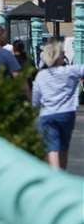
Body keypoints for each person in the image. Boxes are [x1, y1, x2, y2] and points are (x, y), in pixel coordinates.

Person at [32, 40, 84, 170]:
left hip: (47, 113)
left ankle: (56, 174)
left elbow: (35, 99)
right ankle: (62, 171)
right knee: (64, 146)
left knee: (52, 146)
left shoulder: (41, 75)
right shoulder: (70, 71)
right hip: (66, 113)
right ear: (58, 56)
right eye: (62, 52)